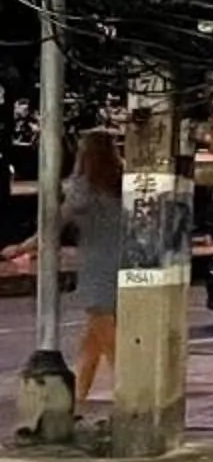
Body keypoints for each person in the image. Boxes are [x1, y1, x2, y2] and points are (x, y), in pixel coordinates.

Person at [68, 132, 124, 405]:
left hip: (96, 266)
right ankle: (78, 399)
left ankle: (129, 399)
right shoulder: (121, 180)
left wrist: (25, 246)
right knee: (92, 341)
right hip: (121, 261)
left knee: (109, 340)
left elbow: (60, 218)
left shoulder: (83, 186)